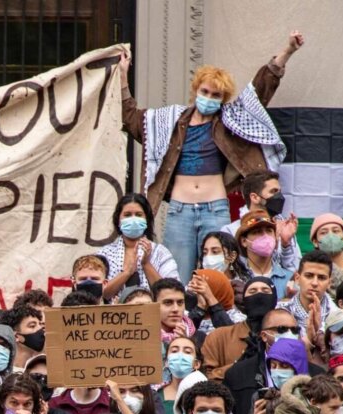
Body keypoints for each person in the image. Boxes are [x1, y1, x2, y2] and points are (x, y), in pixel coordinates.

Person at [118, 32, 302, 274]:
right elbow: (131, 117)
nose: (209, 98)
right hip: (179, 210)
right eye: (205, 92)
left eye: (216, 95)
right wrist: (122, 74)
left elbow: (260, 89)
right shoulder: (169, 121)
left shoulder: (230, 120)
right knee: (175, 275)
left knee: (219, 274)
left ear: (223, 99)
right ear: (196, 91)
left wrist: (287, 51)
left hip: (215, 208)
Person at [96, 193, 179, 296]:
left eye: (139, 215)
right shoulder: (105, 253)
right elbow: (99, 294)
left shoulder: (161, 252)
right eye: (127, 215)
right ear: (118, 220)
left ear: (147, 220)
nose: (133, 219)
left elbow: (170, 294)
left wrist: (146, 264)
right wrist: (126, 273)